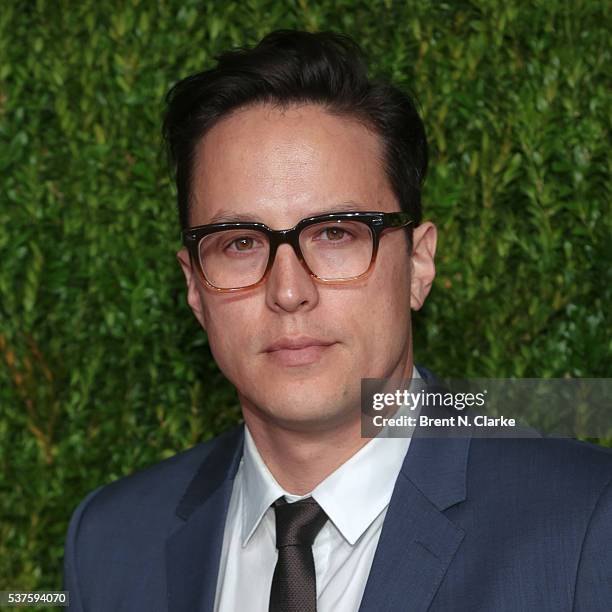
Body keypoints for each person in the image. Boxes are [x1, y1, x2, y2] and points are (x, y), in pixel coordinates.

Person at [63, 30, 612, 611]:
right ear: (195, 287)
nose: (289, 290)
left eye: (335, 234)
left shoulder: (586, 522)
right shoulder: (109, 541)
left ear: (419, 265)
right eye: (241, 242)